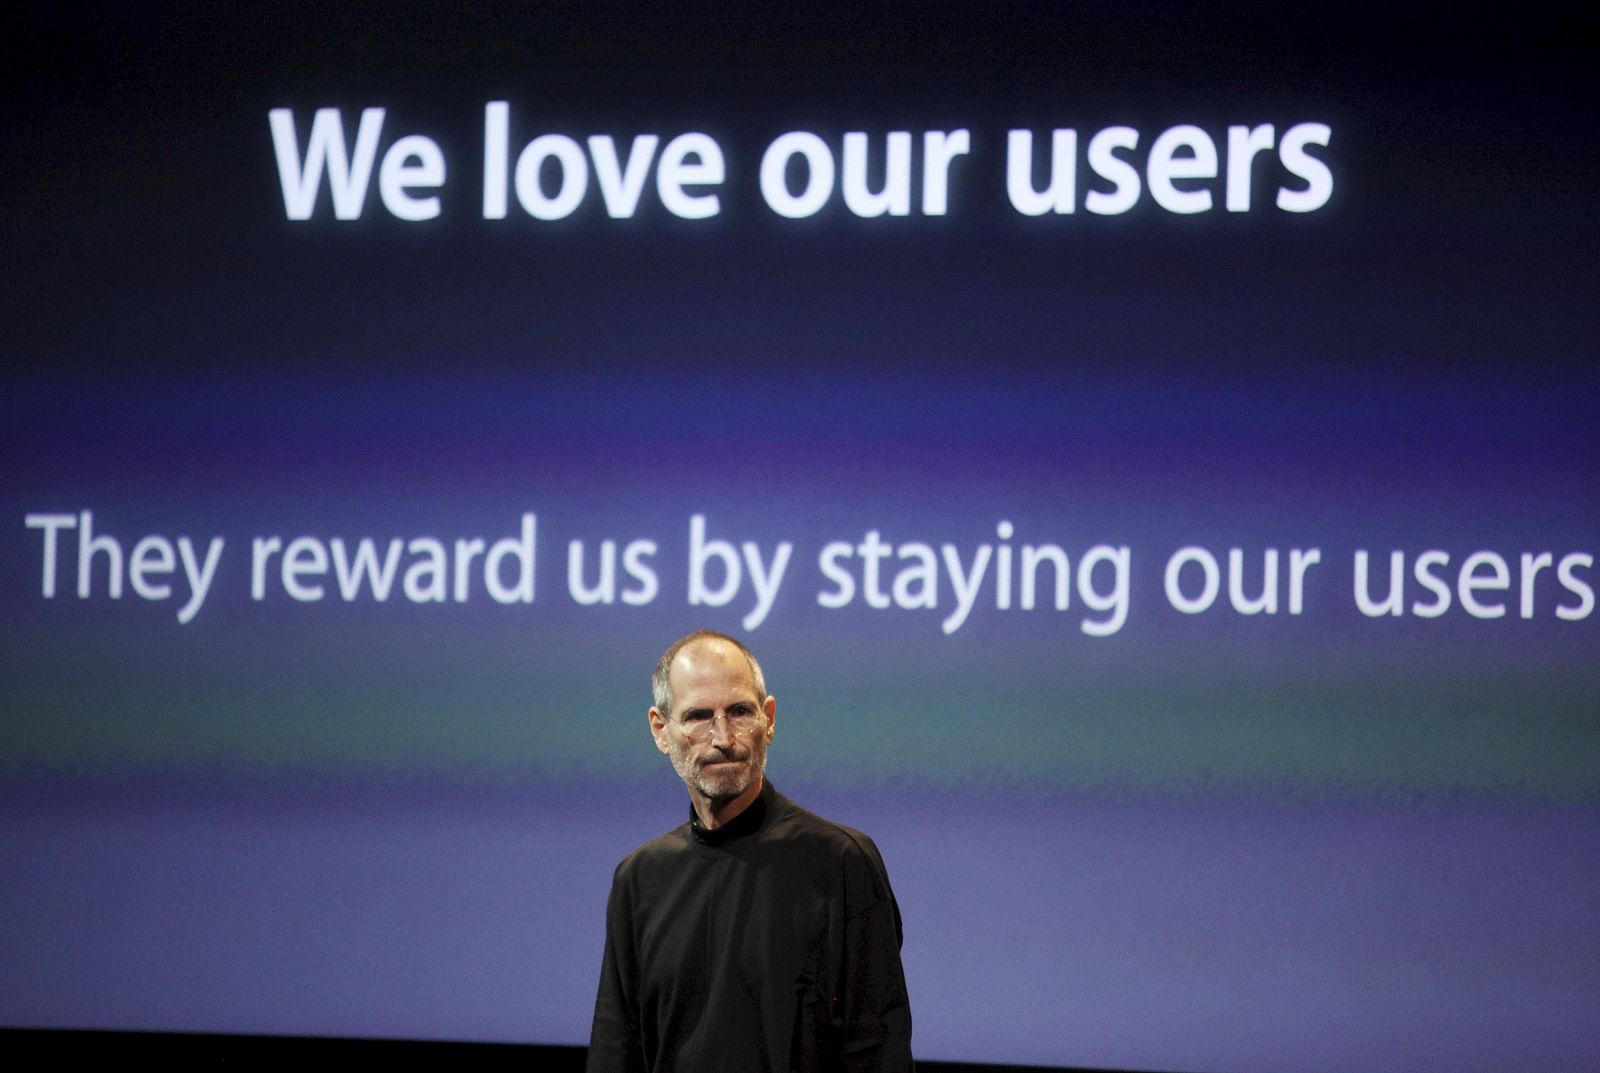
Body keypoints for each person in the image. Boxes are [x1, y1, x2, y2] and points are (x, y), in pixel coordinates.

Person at [586, 630, 914, 1073]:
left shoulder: (841, 862)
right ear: (661, 731)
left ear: (769, 718)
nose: (723, 736)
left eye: (739, 711)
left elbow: (878, 1052)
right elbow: (615, 1051)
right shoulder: (639, 879)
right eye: (699, 716)